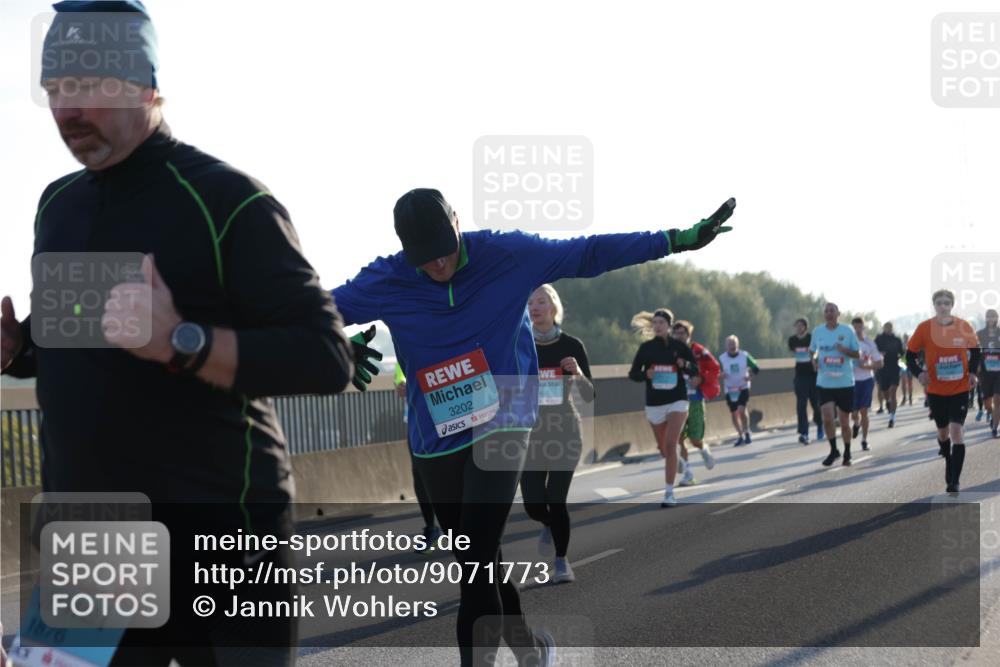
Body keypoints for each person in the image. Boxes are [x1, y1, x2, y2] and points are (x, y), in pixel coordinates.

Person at [0, 3, 356, 664]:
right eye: (56, 89)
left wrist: (181, 342)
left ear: (147, 83)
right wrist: (19, 348)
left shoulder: (227, 199)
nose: (69, 111)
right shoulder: (57, 204)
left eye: (91, 85)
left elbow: (325, 355)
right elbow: (80, 347)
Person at [332, 188, 736, 665]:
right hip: (434, 438)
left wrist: (672, 240)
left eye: (445, 250)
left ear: (458, 224)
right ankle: (528, 647)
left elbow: (588, 252)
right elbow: (307, 311)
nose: (438, 265)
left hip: (504, 420)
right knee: (477, 558)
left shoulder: (507, 254)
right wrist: (336, 343)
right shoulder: (386, 278)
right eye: (425, 259)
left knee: (478, 554)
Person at [521, 284, 594, 584]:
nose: (535, 307)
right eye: (530, 303)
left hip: (565, 431)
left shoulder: (572, 346)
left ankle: (562, 561)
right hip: (532, 434)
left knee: (557, 499)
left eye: (541, 301)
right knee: (533, 504)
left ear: (553, 307)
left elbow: (590, 396)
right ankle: (548, 523)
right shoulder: (520, 345)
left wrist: (577, 374)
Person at [906, 290, 981, 494]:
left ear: (952, 305)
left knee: (957, 432)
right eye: (939, 302)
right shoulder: (924, 328)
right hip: (936, 390)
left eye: (947, 303)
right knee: (942, 433)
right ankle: (948, 458)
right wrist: (919, 373)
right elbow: (909, 355)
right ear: (934, 305)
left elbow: (975, 351)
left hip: (960, 389)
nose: (943, 306)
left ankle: (954, 480)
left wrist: (973, 373)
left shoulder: (964, 326)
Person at [629, 309, 701, 507]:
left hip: (677, 400)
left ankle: (669, 493)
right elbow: (633, 373)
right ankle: (674, 458)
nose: (658, 325)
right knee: (664, 449)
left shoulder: (680, 346)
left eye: (662, 322)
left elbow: (695, 369)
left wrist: (684, 363)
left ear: (669, 325)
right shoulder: (646, 349)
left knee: (670, 444)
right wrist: (646, 375)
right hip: (655, 403)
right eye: (655, 322)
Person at [395, 362, 443, 553]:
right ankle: (431, 529)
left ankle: (463, 530)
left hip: (447, 414)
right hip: (416, 419)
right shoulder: (405, 338)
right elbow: (400, 379)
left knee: (451, 475)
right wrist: (401, 386)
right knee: (420, 475)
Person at [809, 303, 861, 467]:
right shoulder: (818, 331)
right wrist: (815, 360)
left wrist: (845, 350)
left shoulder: (847, 331)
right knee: (826, 417)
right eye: (826, 311)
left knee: (845, 422)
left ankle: (847, 451)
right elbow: (812, 351)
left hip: (845, 383)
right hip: (825, 382)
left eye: (832, 311)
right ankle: (833, 450)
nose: (829, 313)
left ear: (838, 313)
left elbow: (857, 354)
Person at [672, 319, 719, 482]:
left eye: (682, 333)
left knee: (694, 439)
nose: (678, 336)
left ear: (688, 334)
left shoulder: (698, 350)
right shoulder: (671, 351)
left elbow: (715, 367)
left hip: (695, 400)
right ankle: (688, 474)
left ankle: (704, 449)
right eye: (676, 333)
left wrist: (701, 378)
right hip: (677, 401)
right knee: (679, 439)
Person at [850, 317, 884, 451]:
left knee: (864, 410)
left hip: (866, 380)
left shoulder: (869, 343)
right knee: (853, 412)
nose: (857, 330)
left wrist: (867, 366)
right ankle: (856, 423)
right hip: (851, 381)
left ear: (863, 328)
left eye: (860, 327)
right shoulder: (848, 343)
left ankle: (864, 440)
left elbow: (880, 363)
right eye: (855, 327)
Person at [719, 335, 760, 446]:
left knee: (741, 410)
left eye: (734, 344)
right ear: (726, 346)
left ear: (738, 345)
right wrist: (721, 374)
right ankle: (740, 435)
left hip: (743, 387)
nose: (732, 346)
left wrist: (750, 376)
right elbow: (716, 372)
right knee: (734, 413)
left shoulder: (744, 356)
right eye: (730, 344)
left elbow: (756, 368)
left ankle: (747, 432)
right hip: (730, 389)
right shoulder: (721, 358)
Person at [789, 317, 823, 444]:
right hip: (800, 375)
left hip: (813, 375)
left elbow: (816, 351)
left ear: (805, 327)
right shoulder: (792, 340)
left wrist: (814, 359)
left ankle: (820, 425)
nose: (798, 328)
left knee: (816, 404)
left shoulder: (811, 338)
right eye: (796, 325)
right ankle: (804, 433)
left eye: (801, 325)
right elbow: (795, 352)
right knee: (801, 405)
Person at [874, 321, 905, 428]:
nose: (888, 329)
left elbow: (902, 353)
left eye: (890, 327)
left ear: (892, 328)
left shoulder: (897, 340)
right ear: (884, 328)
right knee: (885, 392)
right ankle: (887, 402)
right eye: (886, 327)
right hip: (882, 369)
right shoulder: (878, 339)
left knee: (893, 392)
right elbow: (872, 351)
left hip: (894, 368)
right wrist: (878, 354)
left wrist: (903, 363)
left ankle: (892, 417)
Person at [976, 308, 1000, 438]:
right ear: (986, 319)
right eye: (988, 317)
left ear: (997, 318)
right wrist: (977, 365)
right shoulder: (979, 334)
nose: (991, 319)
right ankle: (990, 415)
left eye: (993, 316)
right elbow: (975, 352)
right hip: (985, 372)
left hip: (999, 373)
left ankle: (996, 428)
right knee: (987, 403)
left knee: (998, 399)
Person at [900, 332, 915, 406]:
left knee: (909, 382)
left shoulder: (911, 344)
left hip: (910, 364)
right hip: (903, 363)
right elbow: (899, 354)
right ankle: (904, 397)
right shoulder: (901, 344)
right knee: (903, 382)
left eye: (906, 337)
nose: (905, 338)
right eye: (904, 337)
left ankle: (910, 397)